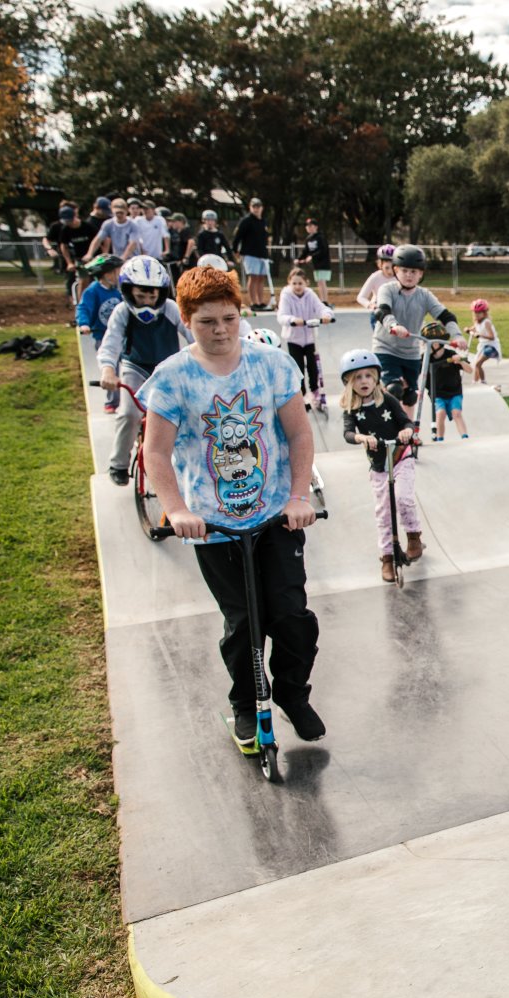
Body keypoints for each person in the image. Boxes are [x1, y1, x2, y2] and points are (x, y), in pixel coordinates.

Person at [141, 266, 323, 746]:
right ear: (185, 320)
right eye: (206, 322)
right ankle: (245, 704)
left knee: (291, 615)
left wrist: (298, 496)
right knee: (243, 623)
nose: (220, 330)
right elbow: (155, 452)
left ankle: (292, 693)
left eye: (229, 318)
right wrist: (178, 510)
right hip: (214, 525)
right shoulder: (172, 377)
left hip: (277, 517)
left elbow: (299, 434)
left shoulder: (272, 364)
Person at [97, 256, 193, 485]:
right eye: (141, 296)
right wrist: (108, 371)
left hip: (168, 369)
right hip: (135, 367)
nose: (147, 302)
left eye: (153, 296)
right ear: (129, 292)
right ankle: (119, 463)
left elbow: (193, 335)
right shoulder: (122, 311)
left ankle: (189, 462)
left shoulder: (171, 308)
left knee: (186, 415)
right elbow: (110, 345)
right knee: (129, 414)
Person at [338, 348, 421, 581]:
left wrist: (406, 431)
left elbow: (406, 421)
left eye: (368, 376)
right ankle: (386, 557)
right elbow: (347, 433)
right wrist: (361, 437)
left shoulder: (387, 399)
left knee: (403, 498)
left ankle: (414, 537)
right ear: (349, 382)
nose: (364, 381)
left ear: (376, 378)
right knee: (384, 512)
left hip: (400, 457)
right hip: (378, 466)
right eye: (357, 378)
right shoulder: (351, 409)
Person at [372, 245, 465, 420]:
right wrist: (393, 325)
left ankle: (408, 429)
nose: (409, 275)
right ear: (396, 270)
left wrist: (457, 335)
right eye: (404, 271)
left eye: (413, 272)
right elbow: (382, 310)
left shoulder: (424, 295)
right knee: (394, 389)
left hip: (411, 352)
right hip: (386, 349)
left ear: (421, 274)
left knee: (410, 396)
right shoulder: (387, 289)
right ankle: (388, 424)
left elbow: (446, 316)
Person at [276, 267, 335, 410]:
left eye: (300, 283)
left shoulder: (310, 294)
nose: (297, 286)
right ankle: (301, 396)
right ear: (289, 283)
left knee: (313, 368)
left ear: (306, 283)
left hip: (310, 338)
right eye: (294, 283)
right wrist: (293, 320)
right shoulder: (286, 295)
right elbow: (281, 316)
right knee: (298, 369)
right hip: (294, 339)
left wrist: (326, 315)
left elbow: (321, 308)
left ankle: (315, 393)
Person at [76, 254, 124, 411]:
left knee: (133, 366)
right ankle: (111, 402)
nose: (119, 275)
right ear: (107, 274)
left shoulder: (117, 291)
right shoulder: (93, 291)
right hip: (102, 337)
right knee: (111, 369)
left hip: (122, 337)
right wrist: (84, 324)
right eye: (117, 272)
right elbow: (83, 308)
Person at [422, 324, 469, 442]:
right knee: (440, 414)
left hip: (454, 392)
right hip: (437, 394)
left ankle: (465, 438)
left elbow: (470, 370)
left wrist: (461, 361)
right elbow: (417, 373)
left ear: (437, 343)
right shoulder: (425, 358)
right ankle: (440, 439)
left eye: (429, 342)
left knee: (456, 413)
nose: (426, 345)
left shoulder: (451, 354)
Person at [233, 197, 271, 312]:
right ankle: (253, 302)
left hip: (262, 254)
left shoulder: (263, 221)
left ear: (262, 208)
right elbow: (238, 236)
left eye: (258, 207)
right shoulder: (246, 221)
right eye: (254, 207)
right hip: (250, 253)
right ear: (250, 208)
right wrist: (235, 250)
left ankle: (260, 301)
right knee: (253, 277)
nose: (256, 209)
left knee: (261, 278)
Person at [357, 244, 397, 328]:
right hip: (379, 314)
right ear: (380, 264)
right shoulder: (375, 277)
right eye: (387, 268)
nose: (390, 271)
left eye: (393, 267)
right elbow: (361, 297)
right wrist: (370, 305)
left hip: (396, 314)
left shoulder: (399, 277)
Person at [296, 218, 333, 304]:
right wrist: (299, 259)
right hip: (316, 265)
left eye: (311, 226)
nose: (308, 227)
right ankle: (322, 300)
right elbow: (305, 251)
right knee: (319, 283)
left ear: (316, 227)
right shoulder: (308, 238)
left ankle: (325, 301)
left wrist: (312, 256)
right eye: (307, 226)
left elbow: (323, 250)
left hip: (323, 264)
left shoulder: (320, 237)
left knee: (322, 282)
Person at [467, 298, 501, 384]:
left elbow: (492, 337)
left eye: (479, 313)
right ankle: (475, 381)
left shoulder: (486, 322)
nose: (477, 315)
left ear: (484, 313)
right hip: (483, 346)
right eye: (475, 312)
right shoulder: (477, 322)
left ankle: (483, 382)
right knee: (476, 363)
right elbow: (472, 329)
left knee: (478, 364)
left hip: (491, 347)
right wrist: (468, 329)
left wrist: (479, 335)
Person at [164, 213, 190, 283]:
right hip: (178, 262)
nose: (172, 223)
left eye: (174, 221)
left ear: (180, 222)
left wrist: (186, 257)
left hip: (185, 264)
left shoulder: (185, 231)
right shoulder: (177, 232)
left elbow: (191, 242)